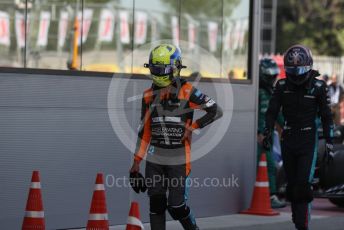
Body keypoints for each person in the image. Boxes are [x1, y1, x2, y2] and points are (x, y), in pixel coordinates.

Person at [130, 44, 223, 230]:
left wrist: (194, 127)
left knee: (176, 206)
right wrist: (136, 163)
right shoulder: (148, 95)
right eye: (155, 68)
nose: (158, 73)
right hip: (154, 158)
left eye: (162, 69)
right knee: (156, 205)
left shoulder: (188, 91)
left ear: (175, 67)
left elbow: (216, 111)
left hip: (179, 158)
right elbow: (145, 131)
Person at [263, 44, 334, 230]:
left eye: (299, 70)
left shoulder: (319, 86)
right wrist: (267, 131)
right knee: (293, 185)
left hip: (308, 139)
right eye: (292, 71)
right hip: (288, 137)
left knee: (303, 185)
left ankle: (303, 225)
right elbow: (271, 112)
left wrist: (330, 141)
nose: (296, 76)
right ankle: (298, 219)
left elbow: (327, 116)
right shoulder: (281, 85)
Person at [257, 58, 286, 208]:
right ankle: (270, 196)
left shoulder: (272, 92)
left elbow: (278, 114)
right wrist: (256, 133)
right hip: (257, 137)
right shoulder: (256, 92)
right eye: (270, 75)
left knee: (271, 166)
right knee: (267, 165)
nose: (272, 78)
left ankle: (271, 195)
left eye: (274, 75)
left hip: (267, 136)